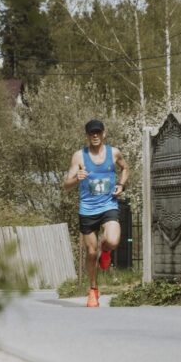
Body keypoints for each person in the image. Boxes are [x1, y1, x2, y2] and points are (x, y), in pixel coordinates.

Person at [63, 119, 129, 307]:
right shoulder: (79, 157)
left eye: (98, 132)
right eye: (91, 133)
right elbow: (66, 185)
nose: (95, 136)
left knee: (113, 240)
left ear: (103, 134)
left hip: (109, 205)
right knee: (91, 253)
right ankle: (93, 290)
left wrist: (121, 185)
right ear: (87, 136)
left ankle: (106, 248)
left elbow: (125, 168)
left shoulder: (114, 153)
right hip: (88, 209)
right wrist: (77, 178)